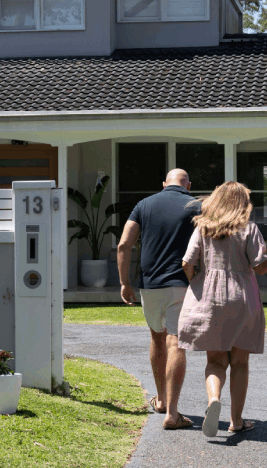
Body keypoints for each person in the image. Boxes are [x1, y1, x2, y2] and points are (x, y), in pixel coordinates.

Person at [177, 182, 267, 437]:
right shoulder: (249, 228)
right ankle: (236, 420)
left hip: (209, 298)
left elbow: (187, 263)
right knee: (240, 363)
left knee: (215, 360)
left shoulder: (203, 227)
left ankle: (214, 400)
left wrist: (198, 284)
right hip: (242, 297)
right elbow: (261, 267)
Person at [117, 168, 201, 430]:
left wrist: (124, 282)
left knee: (157, 337)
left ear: (164, 183)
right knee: (176, 342)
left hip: (150, 284)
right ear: (188, 185)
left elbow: (123, 245)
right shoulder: (195, 205)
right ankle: (172, 414)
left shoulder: (144, 204)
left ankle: (161, 400)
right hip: (181, 284)